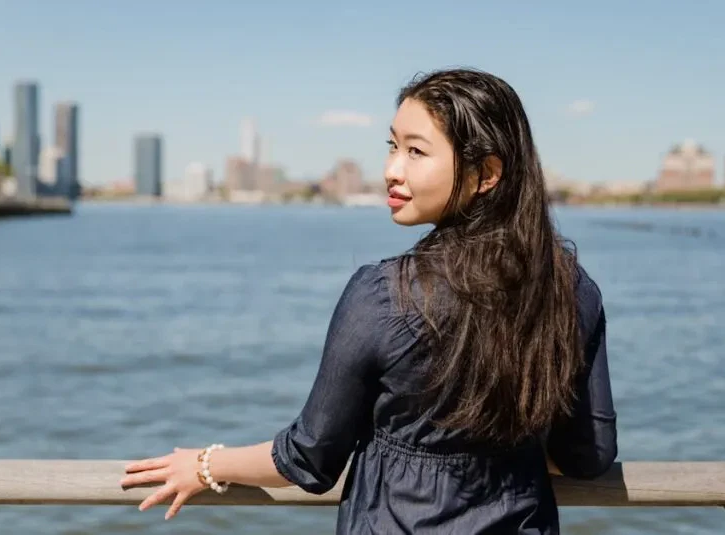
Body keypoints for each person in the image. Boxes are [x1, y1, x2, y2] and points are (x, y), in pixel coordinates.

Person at [120, 67, 618, 534]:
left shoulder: (385, 296)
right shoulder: (572, 290)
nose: (391, 171)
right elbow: (590, 455)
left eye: (416, 152)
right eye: (392, 147)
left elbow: (310, 458)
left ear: (486, 173)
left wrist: (206, 464)